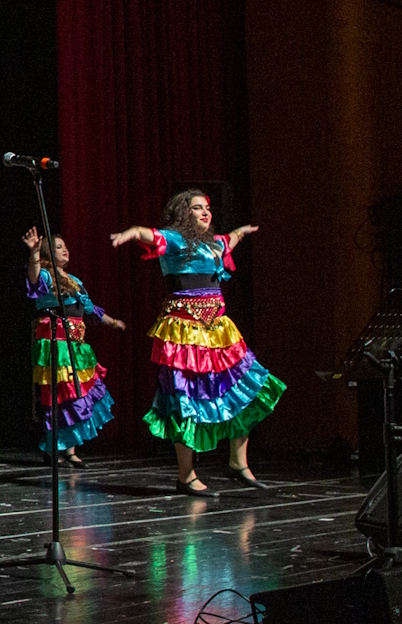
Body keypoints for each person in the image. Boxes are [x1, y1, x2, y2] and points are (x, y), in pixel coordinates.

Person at [112, 190, 283, 493]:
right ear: (183, 213)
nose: (206, 213)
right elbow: (146, 233)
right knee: (185, 400)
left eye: (207, 208)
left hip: (218, 332)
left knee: (246, 388)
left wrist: (242, 231)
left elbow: (231, 238)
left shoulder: (214, 244)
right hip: (183, 334)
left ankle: (238, 463)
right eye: (197, 208)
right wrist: (129, 233)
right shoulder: (176, 240)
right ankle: (186, 476)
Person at [23, 228, 123, 468]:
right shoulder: (47, 276)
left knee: (79, 393)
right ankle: (53, 447)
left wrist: (113, 322)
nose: (65, 249)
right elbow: (33, 279)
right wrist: (34, 254)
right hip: (57, 342)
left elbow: (90, 309)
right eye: (59, 247)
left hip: (77, 344)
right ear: (48, 253)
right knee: (61, 395)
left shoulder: (74, 280)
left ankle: (70, 449)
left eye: (65, 246)